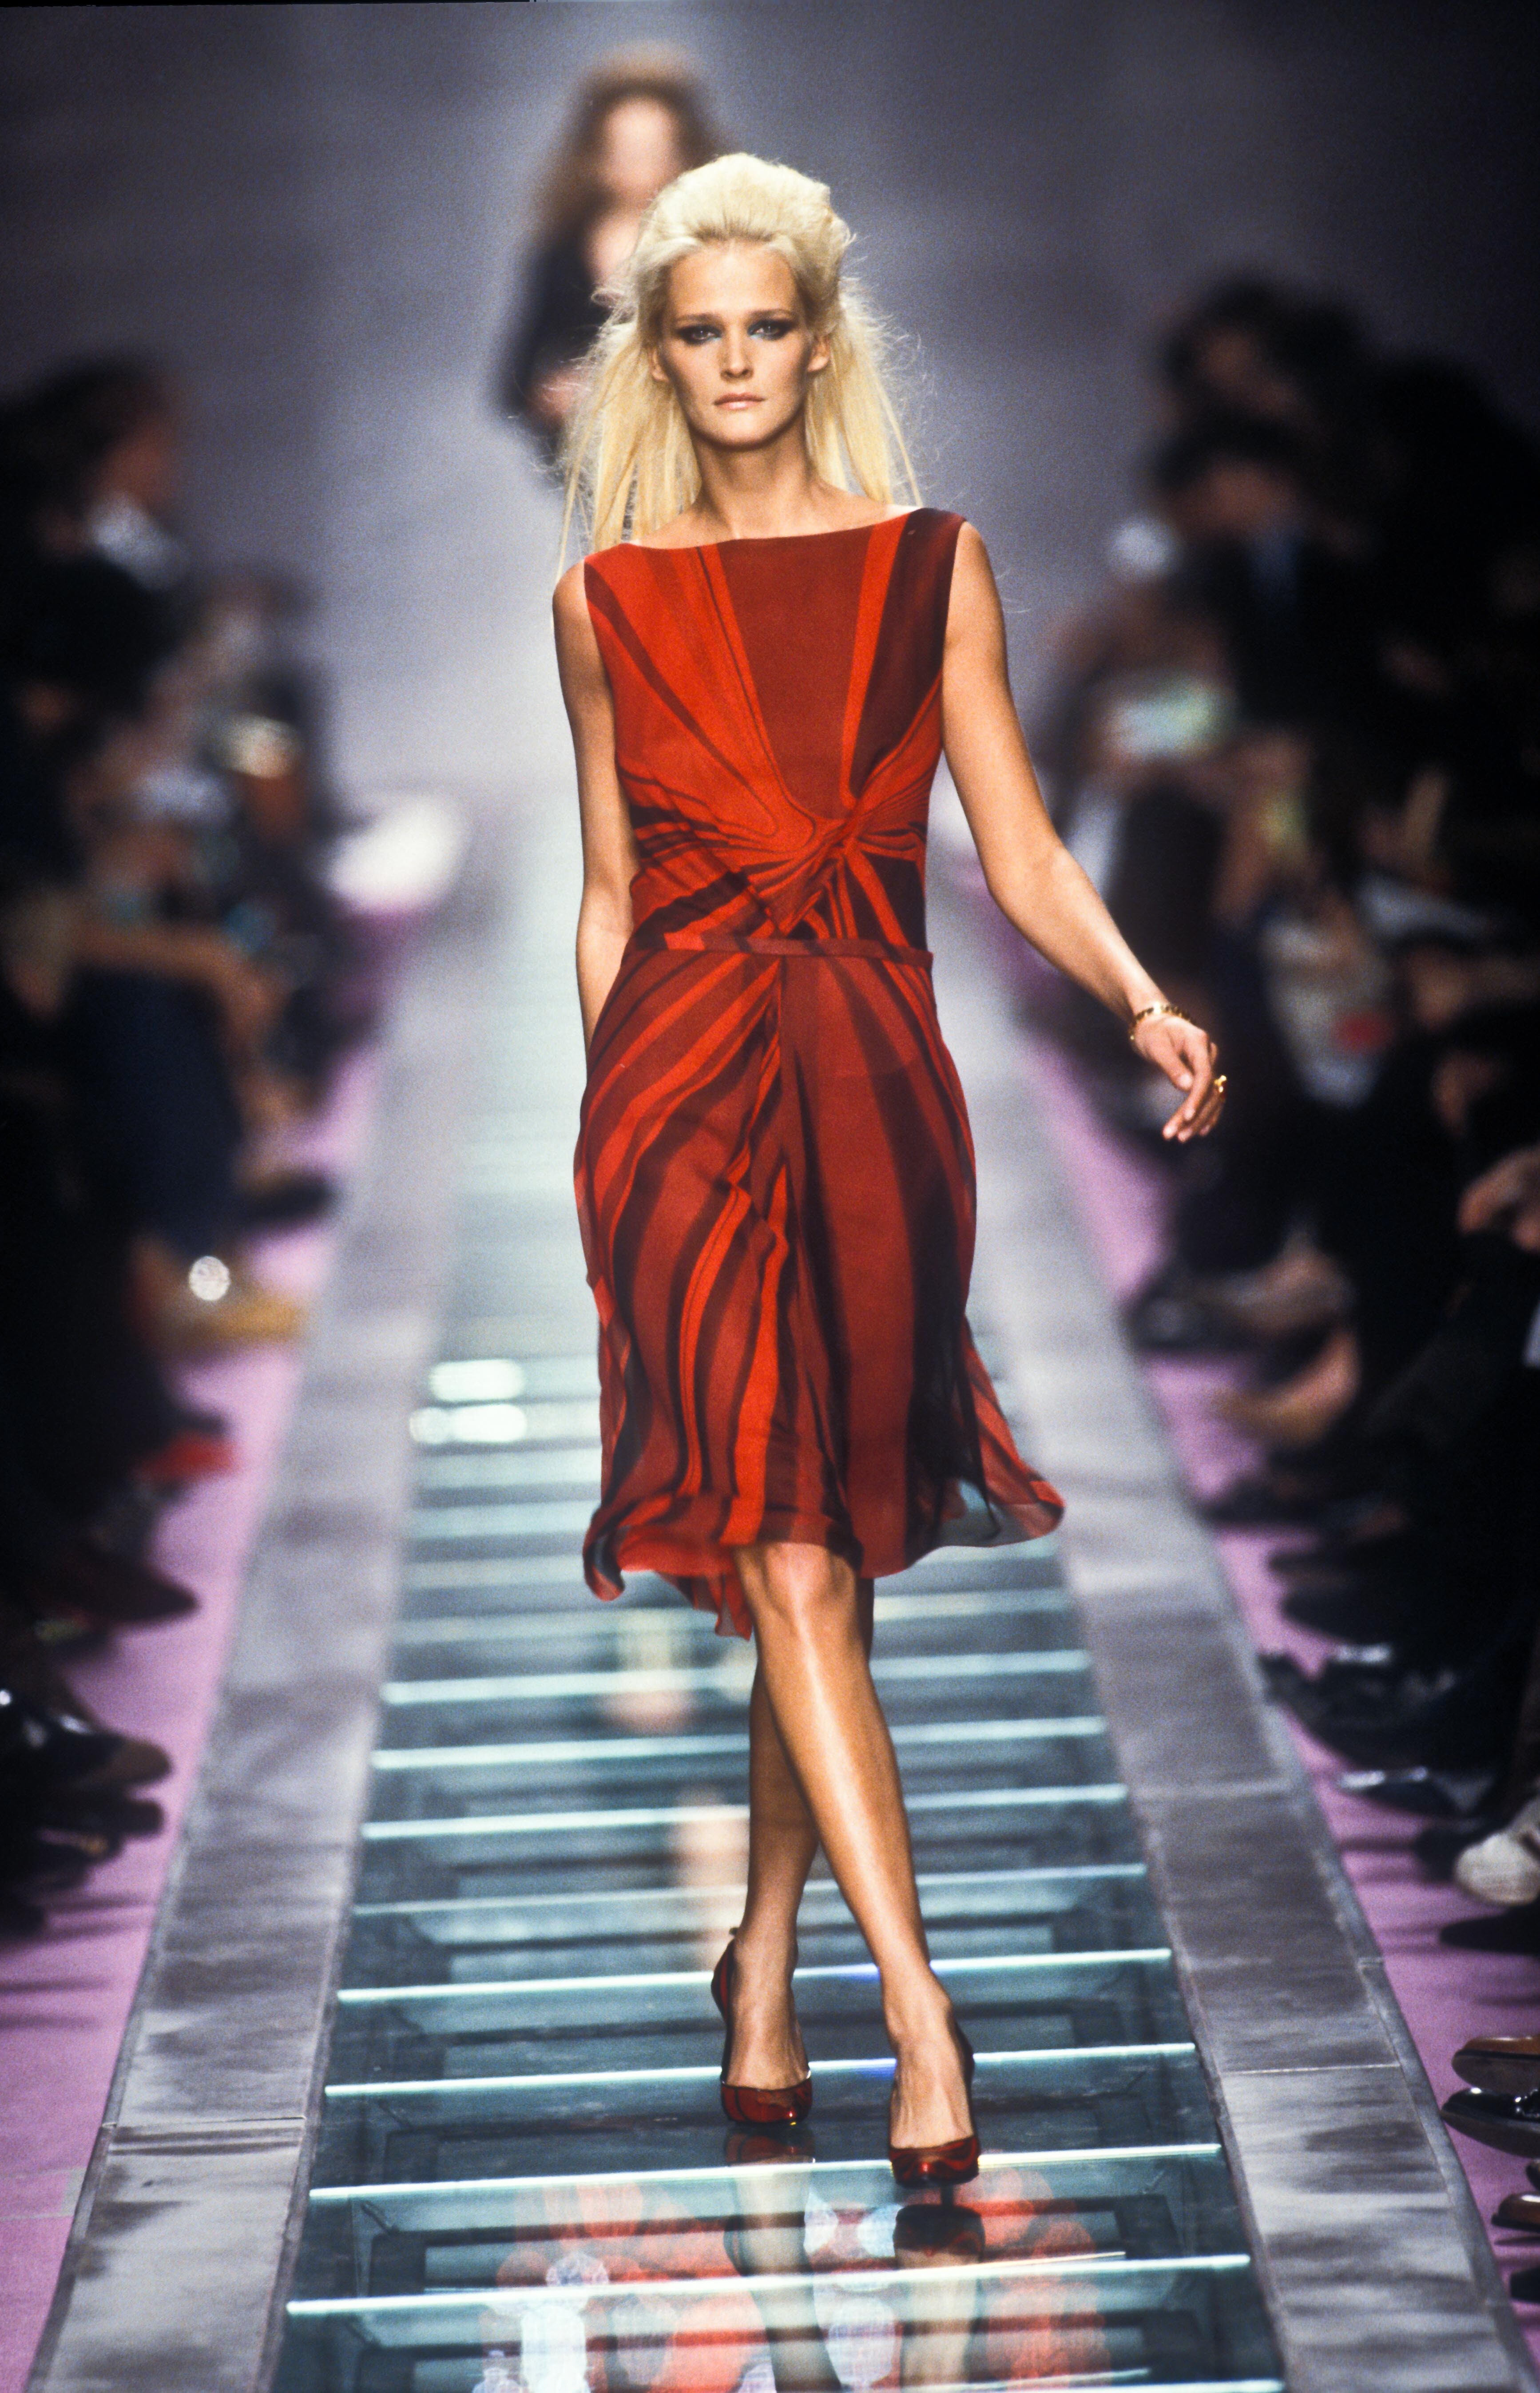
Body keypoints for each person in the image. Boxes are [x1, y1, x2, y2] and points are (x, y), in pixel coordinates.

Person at [552, 154, 1225, 2184]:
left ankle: (761, 1958)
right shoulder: (602, 599)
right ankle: (918, 2017)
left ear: (818, 338)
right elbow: (608, 894)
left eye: (766, 326)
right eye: (699, 333)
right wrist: (605, 1126)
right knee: (777, 1557)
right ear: (656, 358)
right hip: (675, 1096)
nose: (735, 361)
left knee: (820, 1557)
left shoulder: (932, 564)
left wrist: (1139, 994)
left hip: (870, 1092)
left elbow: (1013, 847)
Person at [498, 52, 722, 451]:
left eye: (655, 150)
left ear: (686, 157)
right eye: (626, 151)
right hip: (593, 461)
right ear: (595, 158)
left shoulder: (716, 253)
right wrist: (555, 394)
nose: (640, 166)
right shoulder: (560, 258)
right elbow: (513, 382)